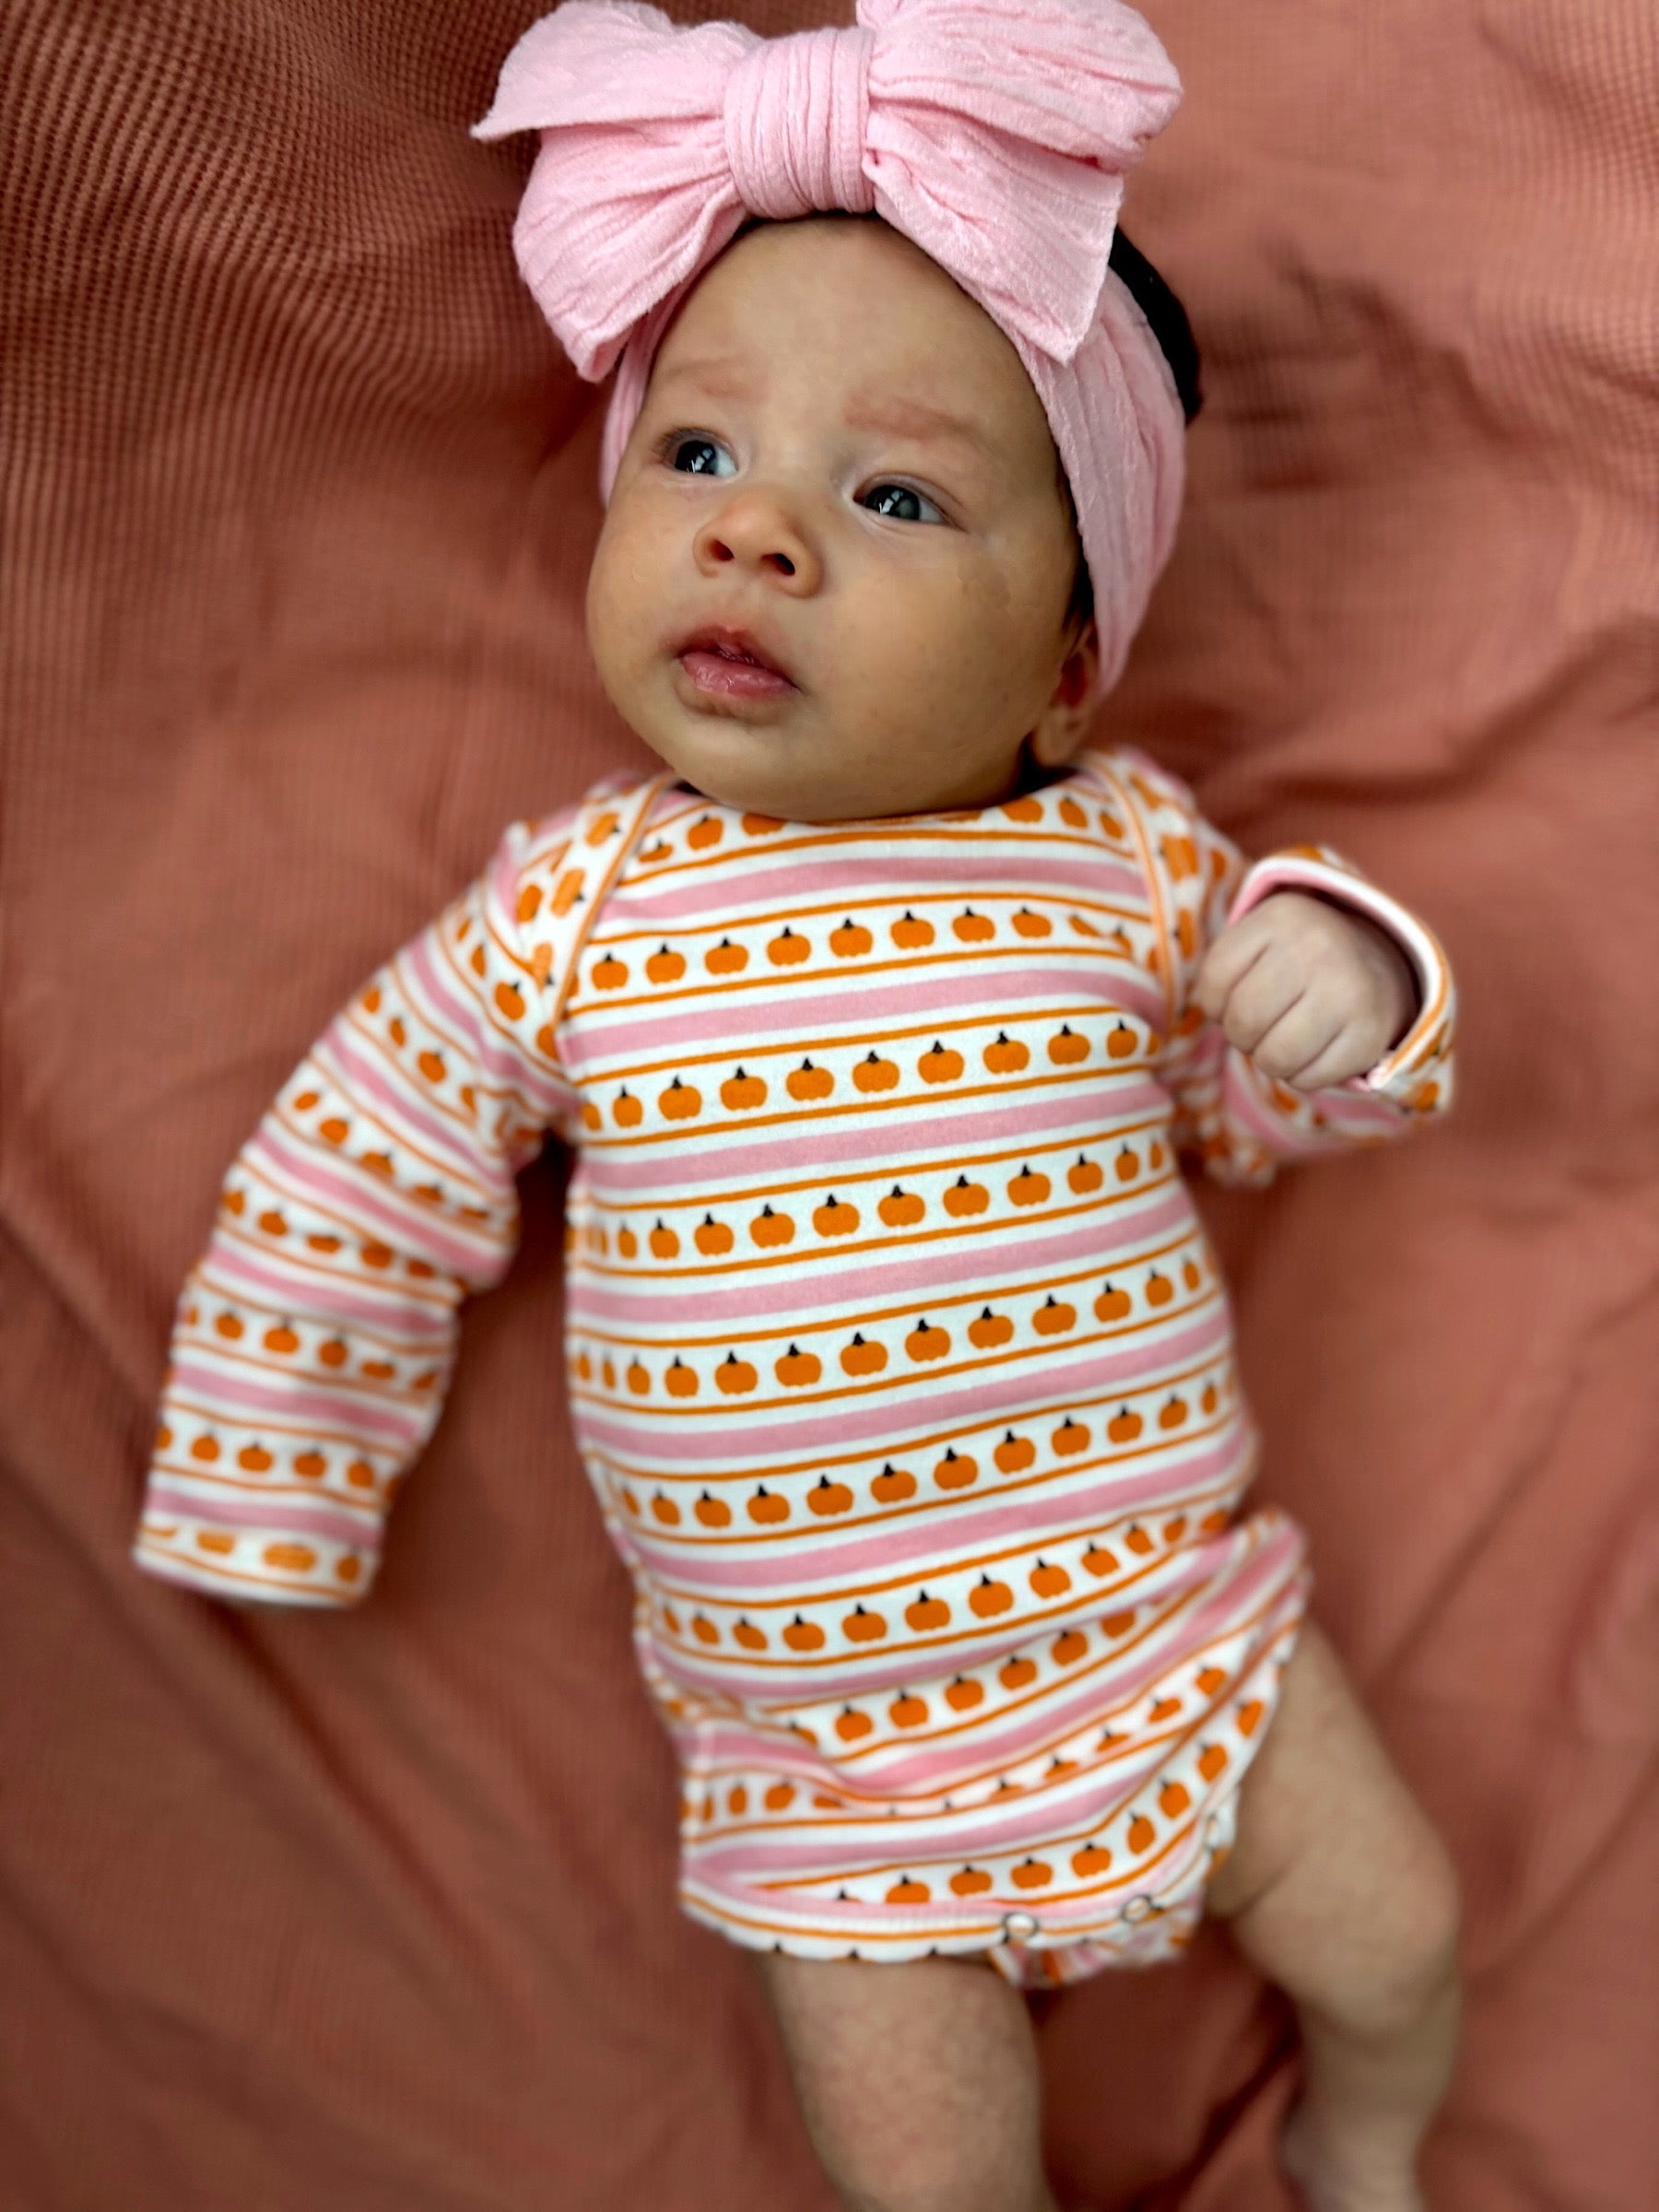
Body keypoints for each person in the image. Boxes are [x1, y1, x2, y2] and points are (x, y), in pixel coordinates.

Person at [132, 3, 1461, 2206]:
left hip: (1169, 1632)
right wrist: (279, 1476)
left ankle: (1375, 2149)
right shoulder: (581, 909)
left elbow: (1269, 1107)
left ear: (1063, 658)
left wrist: (1343, 976)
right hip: (824, 1766)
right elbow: (353, 1168)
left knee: (1402, 1944)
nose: (757, 539)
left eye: (896, 493)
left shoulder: (1120, 861)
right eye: (697, 457)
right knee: (925, 2183)